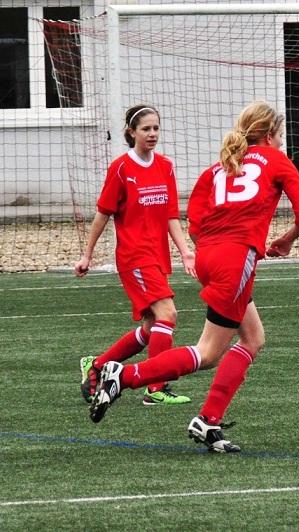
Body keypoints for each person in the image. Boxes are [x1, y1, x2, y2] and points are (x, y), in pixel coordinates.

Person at [88, 101, 299, 453]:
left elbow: (194, 218)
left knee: (253, 338)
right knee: (208, 352)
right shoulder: (276, 160)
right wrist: (284, 241)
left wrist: (210, 252)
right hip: (235, 261)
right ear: (269, 136)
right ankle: (125, 376)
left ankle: (207, 420)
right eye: (280, 136)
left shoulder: (219, 167)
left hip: (210, 258)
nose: (281, 143)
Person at [75, 104, 195, 407]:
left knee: (149, 327)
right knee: (168, 315)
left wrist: (185, 252)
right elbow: (103, 215)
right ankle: (155, 388)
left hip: (157, 256)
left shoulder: (165, 166)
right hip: (133, 257)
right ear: (132, 132)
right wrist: (87, 255)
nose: (152, 134)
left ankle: (98, 366)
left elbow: (170, 216)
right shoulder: (121, 168)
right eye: (146, 129)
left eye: (156, 128)